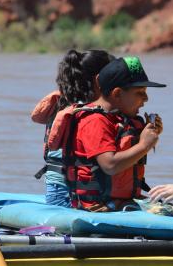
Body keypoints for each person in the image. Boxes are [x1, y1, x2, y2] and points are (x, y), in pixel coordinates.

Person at [68, 56, 165, 211]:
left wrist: (148, 135)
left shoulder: (120, 119)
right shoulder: (95, 121)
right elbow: (110, 165)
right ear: (117, 93)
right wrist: (144, 145)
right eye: (140, 92)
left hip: (122, 202)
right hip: (99, 206)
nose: (146, 99)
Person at [31, 50, 114, 207]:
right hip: (68, 193)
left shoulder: (64, 102)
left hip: (59, 188)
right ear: (99, 80)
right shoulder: (86, 114)